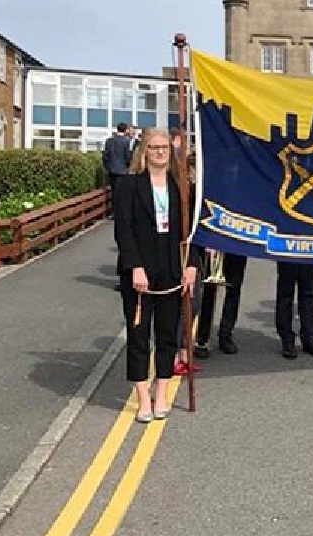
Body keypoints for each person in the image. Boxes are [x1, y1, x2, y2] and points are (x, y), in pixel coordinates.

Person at [114, 128, 199, 423]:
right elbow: (123, 230)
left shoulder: (182, 188)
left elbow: (192, 232)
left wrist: (192, 266)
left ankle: (161, 393)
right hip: (140, 272)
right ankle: (142, 398)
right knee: (139, 336)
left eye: (165, 147)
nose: (160, 152)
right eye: (154, 147)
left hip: (173, 270)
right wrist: (134, 266)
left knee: (166, 335)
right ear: (144, 151)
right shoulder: (128, 186)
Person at [194, 250, 248, 357]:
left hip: (236, 244)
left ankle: (225, 334)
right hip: (214, 241)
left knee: (234, 287)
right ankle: (202, 337)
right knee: (209, 288)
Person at [275, 262, 313, 359]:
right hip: (287, 252)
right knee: (286, 293)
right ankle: (287, 340)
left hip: (309, 252)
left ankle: (309, 338)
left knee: (310, 292)